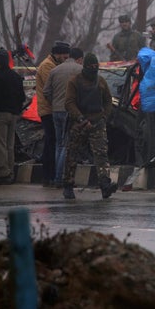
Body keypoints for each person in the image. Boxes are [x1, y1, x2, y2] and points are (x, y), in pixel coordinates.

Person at [62, 53, 117, 200]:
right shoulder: (74, 82)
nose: (94, 69)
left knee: (101, 155)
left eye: (96, 67)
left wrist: (104, 116)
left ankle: (105, 185)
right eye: (91, 67)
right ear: (85, 67)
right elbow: (69, 103)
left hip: (97, 123)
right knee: (72, 154)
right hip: (79, 123)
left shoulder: (100, 82)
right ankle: (68, 185)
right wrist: (80, 118)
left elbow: (107, 101)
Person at [43, 47, 84, 187]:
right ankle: (60, 178)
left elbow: (46, 91)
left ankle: (56, 176)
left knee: (58, 144)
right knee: (67, 145)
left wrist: (54, 102)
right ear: (79, 59)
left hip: (56, 111)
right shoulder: (79, 70)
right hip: (70, 111)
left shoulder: (55, 70)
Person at [0, 50, 26, 185]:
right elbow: (22, 97)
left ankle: (4, 172)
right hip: (13, 114)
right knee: (10, 145)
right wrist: (17, 110)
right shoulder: (15, 76)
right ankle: (11, 172)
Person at [36, 40, 70, 187]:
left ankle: (49, 175)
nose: (66, 58)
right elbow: (53, 88)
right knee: (51, 143)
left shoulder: (53, 65)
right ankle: (47, 175)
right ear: (57, 54)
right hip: (49, 110)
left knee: (53, 142)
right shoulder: (47, 66)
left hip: (52, 109)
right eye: (64, 55)